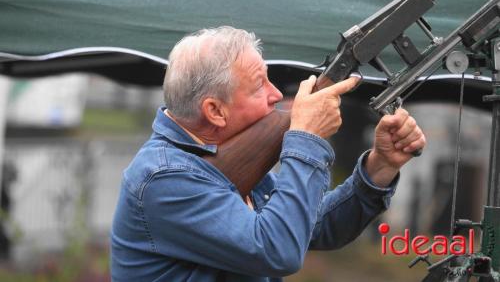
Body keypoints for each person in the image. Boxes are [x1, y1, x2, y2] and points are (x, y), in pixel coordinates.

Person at [110, 26, 426, 282]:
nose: (276, 94)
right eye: (260, 84)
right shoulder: (163, 177)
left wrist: (379, 166)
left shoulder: (227, 157)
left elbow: (314, 226)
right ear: (215, 111)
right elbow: (278, 250)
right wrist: (305, 138)